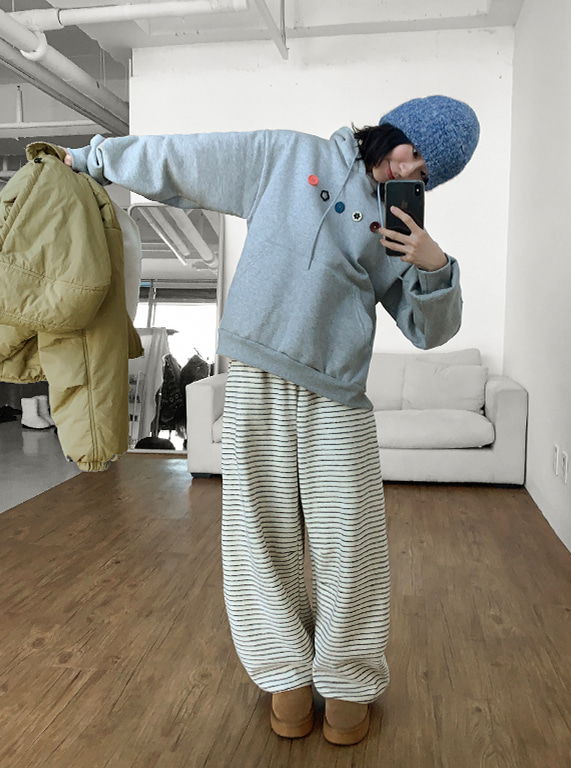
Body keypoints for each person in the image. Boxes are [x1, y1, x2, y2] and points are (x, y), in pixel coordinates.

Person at [64, 94, 480, 746]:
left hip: (337, 395)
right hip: (257, 377)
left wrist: (435, 268)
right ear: (392, 128)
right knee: (259, 537)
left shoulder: (400, 225)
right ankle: (285, 678)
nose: (408, 169)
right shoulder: (288, 156)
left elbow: (429, 332)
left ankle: (346, 685)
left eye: (425, 173)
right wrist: (96, 158)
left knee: (353, 545)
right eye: (411, 151)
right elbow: (186, 160)